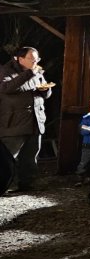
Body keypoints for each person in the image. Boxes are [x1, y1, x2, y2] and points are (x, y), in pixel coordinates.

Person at [0, 46, 54, 194]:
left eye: (37, 59)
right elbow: (7, 88)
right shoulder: (5, 71)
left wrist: (46, 90)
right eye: (32, 59)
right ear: (19, 58)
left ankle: (28, 183)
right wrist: (30, 74)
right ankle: (6, 185)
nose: (35, 61)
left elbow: (45, 92)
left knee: (31, 156)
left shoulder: (37, 71)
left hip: (35, 121)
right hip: (14, 123)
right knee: (9, 158)